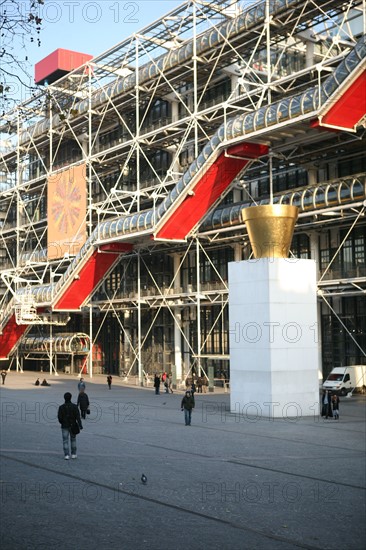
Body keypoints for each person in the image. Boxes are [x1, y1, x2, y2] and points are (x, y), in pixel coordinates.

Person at [58, 392, 83, 460]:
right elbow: (78, 417)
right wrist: (80, 425)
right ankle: (73, 454)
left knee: (65, 441)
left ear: (64, 398)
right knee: (73, 440)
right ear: (71, 398)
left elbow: (59, 418)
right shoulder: (74, 407)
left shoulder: (61, 407)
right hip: (73, 425)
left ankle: (66, 455)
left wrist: (63, 422)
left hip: (64, 426)